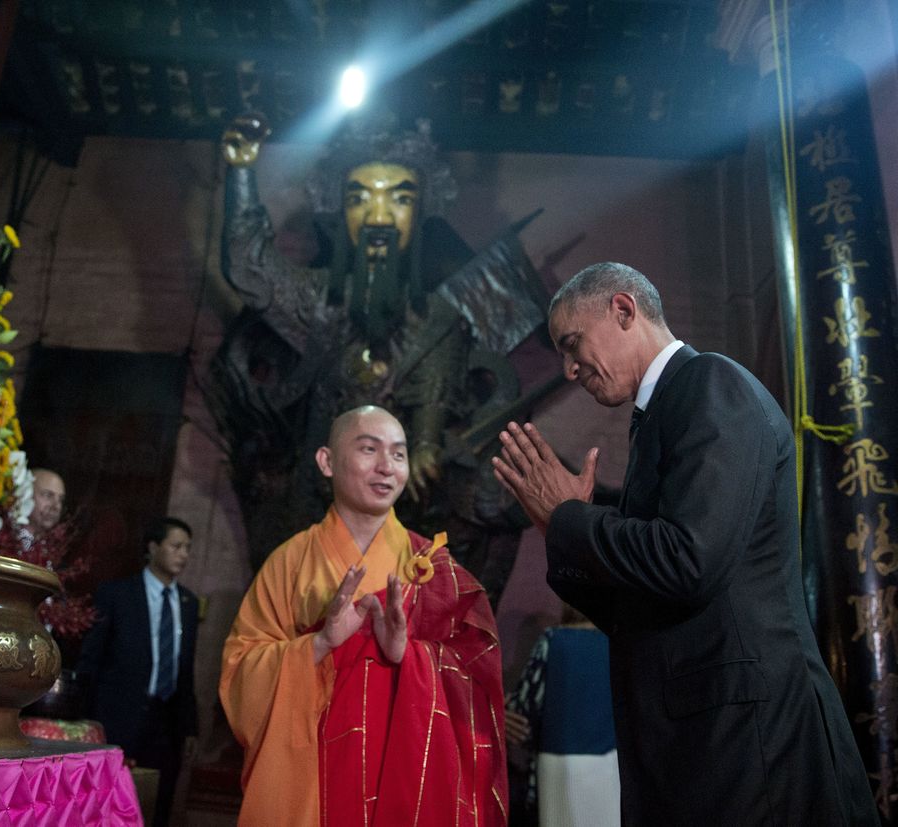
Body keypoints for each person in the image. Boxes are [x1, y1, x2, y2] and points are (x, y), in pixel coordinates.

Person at [492, 262, 876, 825]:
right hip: (701, 737)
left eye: (572, 344)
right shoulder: (662, 414)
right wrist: (561, 530)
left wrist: (572, 519)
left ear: (623, 310)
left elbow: (688, 559)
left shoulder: (710, 384)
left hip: (748, 739)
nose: (570, 370)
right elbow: (644, 604)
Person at [211, 112, 549, 602]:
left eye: (399, 198)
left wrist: (426, 453)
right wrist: (241, 171)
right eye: (360, 198)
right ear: (340, 212)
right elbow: (249, 268)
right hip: (315, 516)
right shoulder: (317, 299)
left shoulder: (439, 320)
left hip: (401, 531)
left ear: (420, 213)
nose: (379, 216)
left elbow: (433, 415)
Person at [220, 405, 507, 826]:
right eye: (369, 449)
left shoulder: (431, 567)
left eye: (398, 454)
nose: (386, 467)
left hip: (402, 769)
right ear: (327, 461)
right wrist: (319, 645)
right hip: (312, 775)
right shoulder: (289, 562)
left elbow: (477, 675)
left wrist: (409, 654)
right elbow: (240, 669)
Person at [76, 517, 199, 827]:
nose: (183, 554)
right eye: (176, 546)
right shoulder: (117, 594)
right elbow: (91, 658)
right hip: (119, 714)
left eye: (187, 548)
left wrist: (190, 726)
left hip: (166, 721)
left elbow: (186, 669)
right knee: (108, 802)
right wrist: (84, 716)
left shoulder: (188, 603)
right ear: (153, 547)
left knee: (156, 804)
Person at [505, 605, 618, 827]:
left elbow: (524, 714)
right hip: (609, 767)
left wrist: (506, 709)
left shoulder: (554, 640)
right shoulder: (619, 644)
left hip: (557, 764)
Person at [28, 468, 66, 535]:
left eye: (60, 499)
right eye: (47, 495)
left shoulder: (59, 544)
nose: (56, 506)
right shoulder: (6, 540)